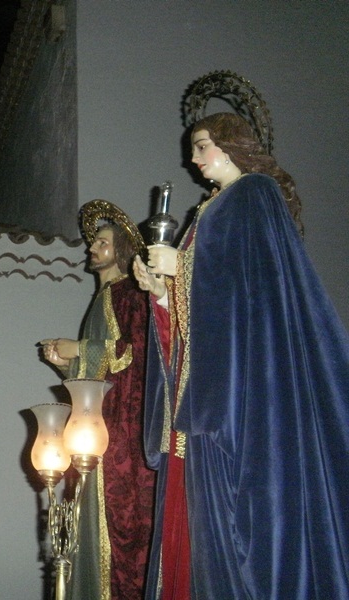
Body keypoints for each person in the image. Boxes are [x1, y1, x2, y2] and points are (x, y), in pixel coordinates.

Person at [133, 112, 349, 599]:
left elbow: (250, 295)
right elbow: (202, 309)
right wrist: (163, 293)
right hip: (200, 395)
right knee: (198, 534)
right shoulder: (208, 209)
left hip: (238, 398)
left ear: (232, 146)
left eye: (202, 146)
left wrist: (181, 266)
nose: (193, 159)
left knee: (232, 535)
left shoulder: (253, 194)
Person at [41, 200, 155, 600]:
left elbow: (130, 353)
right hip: (95, 427)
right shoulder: (104, 297)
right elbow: (96, 374)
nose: (94, 248)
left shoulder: (129, 294)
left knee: (113, 521)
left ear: (121, 251)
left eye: (103, 242)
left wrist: (78, 347)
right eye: (94, 242)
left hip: (121, 430)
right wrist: (64, 364)